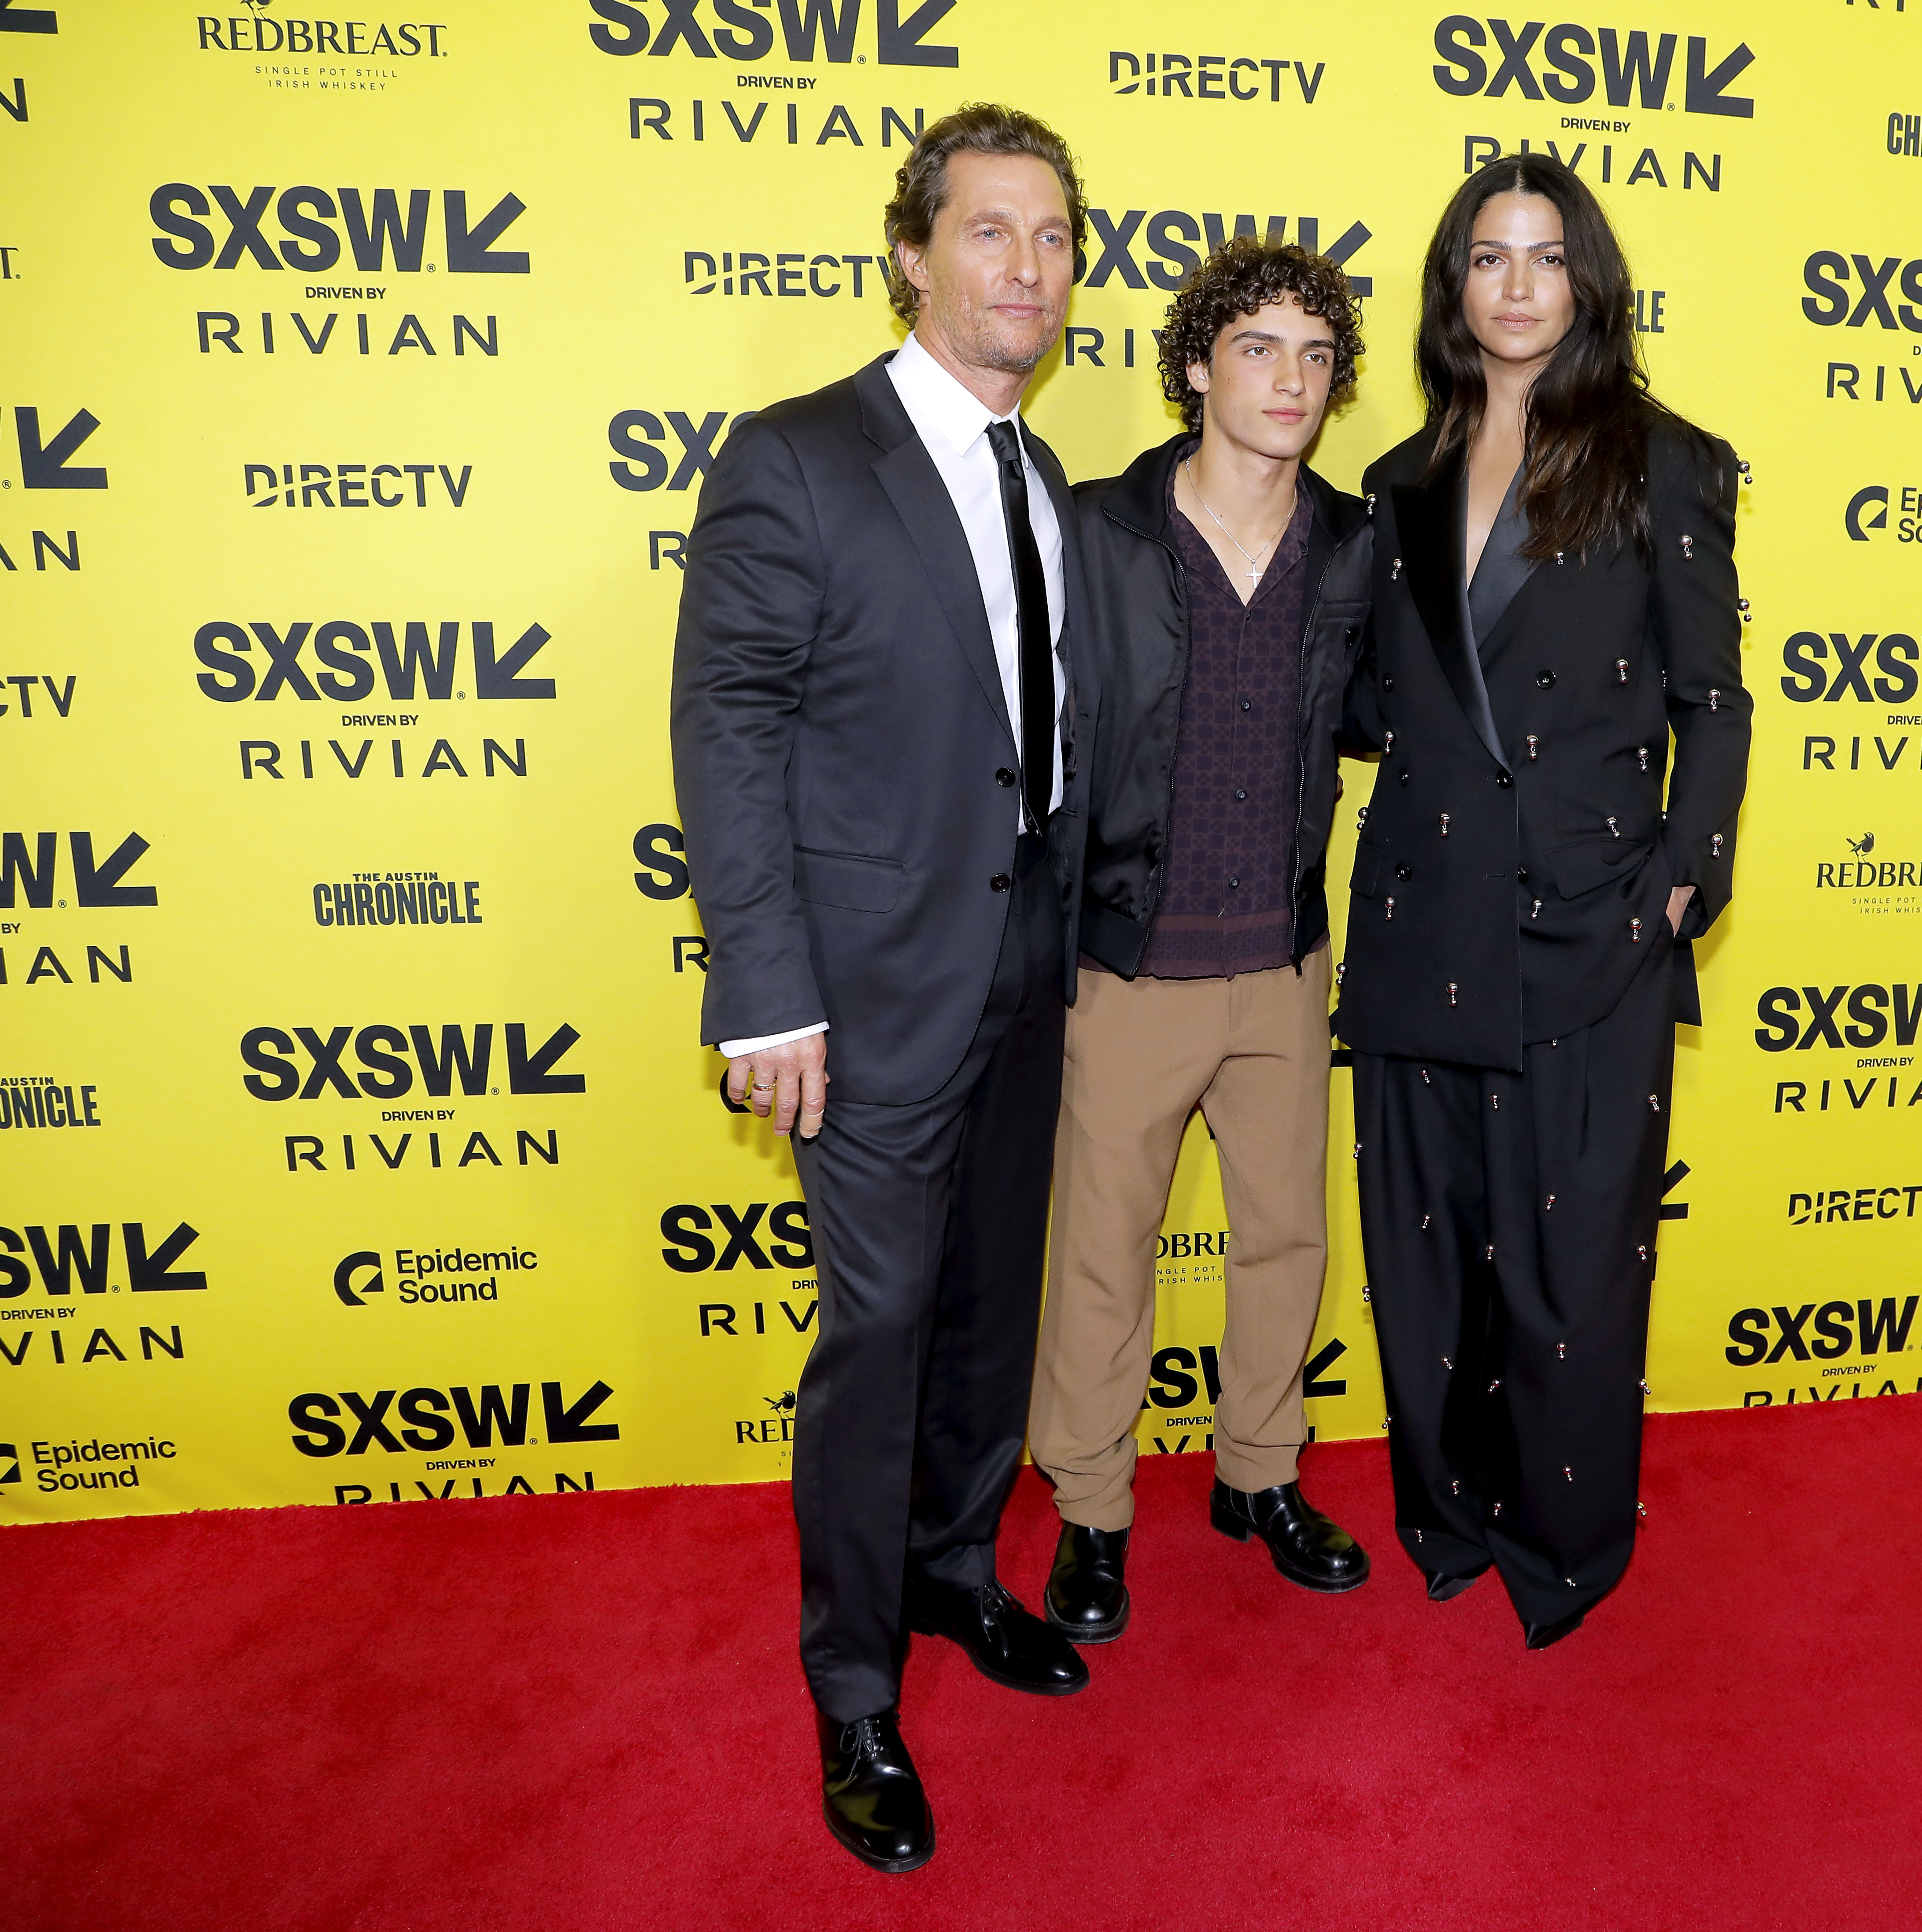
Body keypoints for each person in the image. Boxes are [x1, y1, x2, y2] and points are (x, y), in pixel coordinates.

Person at [669, 104, 1099, 1876]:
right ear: (912, 253)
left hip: (1026, 969)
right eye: (988, 230)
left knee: (989, 1313)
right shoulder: (795, 456)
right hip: (861, 993)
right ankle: (852, 1684)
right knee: (878, 1336)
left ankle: (949, 1567)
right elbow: (730, 723)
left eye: (1054, 234)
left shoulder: (1048, 472)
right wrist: (763, 989)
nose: (1026, 264)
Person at [1335, 154, 1751, 1649]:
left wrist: (1675, 885)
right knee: (1428, 1256)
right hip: (1419, 917)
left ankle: (1562, 1541)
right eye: (1486, 258)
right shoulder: (1396, 482)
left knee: (1571, 1260)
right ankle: (1446, 1517)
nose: (1515, 286)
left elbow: (1716, 698)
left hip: (1589, 923)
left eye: (1544, 256)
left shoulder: (1661, 457)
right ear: (1453, 286)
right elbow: (1374, 708)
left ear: (1587, 282)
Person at [1027, 238, 1376, 1643]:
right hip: (1130, 963)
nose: (1287, 379)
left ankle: (1258, 1473)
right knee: (1104, 1250)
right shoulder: (1101, 530)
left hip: (1286, 962)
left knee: (1284, 1239)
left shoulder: (1353, 542)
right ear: (1193, 369)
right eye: (1256, 349)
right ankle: (1094, 1510)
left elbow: (1373, 722)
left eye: (1312, 355)